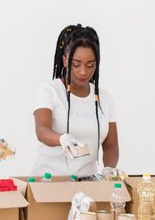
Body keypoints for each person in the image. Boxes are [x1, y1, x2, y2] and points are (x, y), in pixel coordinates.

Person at [32, 24, 118, 177]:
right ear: (65, 61)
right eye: (76, 64)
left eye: (90, 65)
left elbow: (111, 145)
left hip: (88, 182)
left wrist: (109, 168)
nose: (83, 72)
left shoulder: (105, 98)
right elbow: (42, 130)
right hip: (49, 182)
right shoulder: (50, 90)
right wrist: (62, 138)